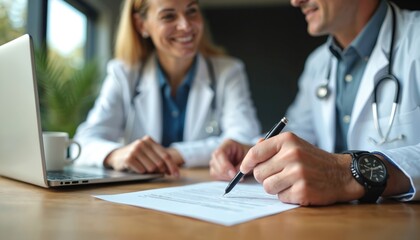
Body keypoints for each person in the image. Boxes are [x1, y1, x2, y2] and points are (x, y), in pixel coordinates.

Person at [210, 0, 420, 206]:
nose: (295, 2)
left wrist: (343, 174)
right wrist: (257, 153)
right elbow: (301, 133)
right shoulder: (318, 63)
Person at [74, 0, 261, 177]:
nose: (186, 26)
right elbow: (82, 143)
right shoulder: (123, 73)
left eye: (191, 11)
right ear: (142, 25)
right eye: (168, 16)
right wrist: (114, 155)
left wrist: (173, 154)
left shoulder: (228, 71)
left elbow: (244, 137)